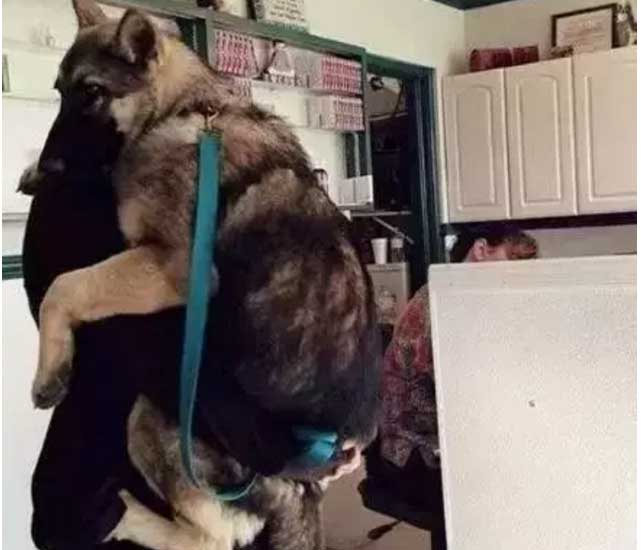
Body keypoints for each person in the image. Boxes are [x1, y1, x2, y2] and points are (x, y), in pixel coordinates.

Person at [362, 223, 538, 546]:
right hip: (410, 452)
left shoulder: (465, 302)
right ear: (481, 250)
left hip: (442, 445)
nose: (516, 280)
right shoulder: (439, 305)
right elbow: (465, 396)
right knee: (512, 491)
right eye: (512, 263)